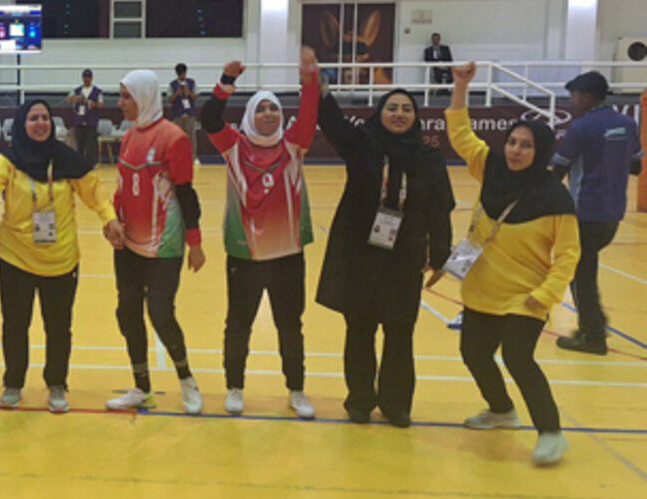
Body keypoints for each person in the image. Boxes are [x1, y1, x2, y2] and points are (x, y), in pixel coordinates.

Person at [439, 62, 580, 465]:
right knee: (474, 354)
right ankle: (501, 410)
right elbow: (461, 134)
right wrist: (461, 86)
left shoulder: (555, 198)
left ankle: (551, 432)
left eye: (527, 145)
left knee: (518, 358)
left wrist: (547, 295)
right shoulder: (492, 168)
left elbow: (568, 254)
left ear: (541, 151)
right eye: (513, 142)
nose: (516, 150)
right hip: (482, 290)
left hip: (526, 297)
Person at [0, 99, 122, 413]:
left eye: (45, 118)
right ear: (22, 124)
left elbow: (94, 192)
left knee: (58, 327)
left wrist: (109, 219)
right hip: (16, 257)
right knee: (15, 325)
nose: (40, 123)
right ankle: (13, 383)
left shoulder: (67, 160)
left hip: (61, 259)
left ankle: (57, 384)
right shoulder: (9, 161)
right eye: (33, 118)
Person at [317, 82, 454, 427]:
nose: (399, 114)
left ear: (416, 117)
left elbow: (439, 209)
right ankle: (360, 400)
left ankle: (396, 404)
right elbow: (333, 125)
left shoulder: (429, 158)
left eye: (406, 109)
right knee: (359, 330)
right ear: (380, 113)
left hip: (405, 256)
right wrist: (319, 89)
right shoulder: (362, 145)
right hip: (360, 254)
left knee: (400, 332)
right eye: (392, 108)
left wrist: (439, 256)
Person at [200, 48, 320, 420]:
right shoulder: (233, 146)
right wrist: (226, 82)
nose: (269, 114)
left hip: (287, 255)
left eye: (274, 109)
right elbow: (209, 118)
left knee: (290, 326)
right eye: (261, 109)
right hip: (244, 255)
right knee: (239, 324)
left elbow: (310, 110)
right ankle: (235, 388)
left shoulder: (294, 145)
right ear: (250, 115)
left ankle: (296, 390)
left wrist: (310, 78)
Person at [105, 70, 206, 415]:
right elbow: (121, 189)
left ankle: (186, 379)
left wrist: (195, 242)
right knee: (127, 312)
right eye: (121, 96)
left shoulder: (174, 138)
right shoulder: (128, 137)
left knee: (161, 313)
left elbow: (186, 194)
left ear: (144, 97)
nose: (120, 103)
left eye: (126, 97)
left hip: (164, 244)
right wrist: (113, 222)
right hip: (128, 244)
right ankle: (141, 387)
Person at [550, 70, 643, 355]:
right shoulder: (627, 124)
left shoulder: (581, 128)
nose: (572, 102)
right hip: (613, 212)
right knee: (586, 269)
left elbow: (558, 170)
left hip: (584, 211)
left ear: (588, 97)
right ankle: (596, 324)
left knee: (580, 274)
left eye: (574, 96)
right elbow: (636, 167)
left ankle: (592, 335)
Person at [65, 69, 102, 165]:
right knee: (79, 143)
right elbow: (68, 99)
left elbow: (101, 104)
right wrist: (76, 98)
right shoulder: (77, 90)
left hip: (91, 121)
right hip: (79, 120)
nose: (87, 79)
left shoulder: (97, 91)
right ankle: (79, 163)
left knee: (91, 144)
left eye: (89, 77)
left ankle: (92, 163)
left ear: (92, 78)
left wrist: (93, 104)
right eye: (85, 77)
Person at [169, 63, 199, 161]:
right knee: (176, 137)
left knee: (191, 137)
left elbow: (196, 97)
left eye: (183, 74)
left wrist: (188, 92)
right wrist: (177, 93)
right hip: (177, 114)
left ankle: (193, 157)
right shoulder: (172, 85)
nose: (182, 76)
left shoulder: (192, 83)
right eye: (180, 74)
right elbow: (170, 100)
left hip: (190, 114)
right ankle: (177, 157)